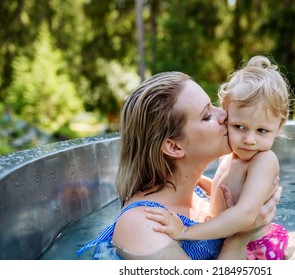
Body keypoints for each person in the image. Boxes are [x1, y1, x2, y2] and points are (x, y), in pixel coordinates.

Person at [76, 71, 282, 260]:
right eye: (207, 115)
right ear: (174, 147)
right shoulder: (145, 225)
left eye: (212, 105)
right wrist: (239, 237)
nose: (224, 115)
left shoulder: (199, 191)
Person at [145, 55, 293, 260]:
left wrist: (185, 233)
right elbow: (220, 187)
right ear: (227, 116)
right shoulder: (232, 157)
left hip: (256, 248)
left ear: (279, 126)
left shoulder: (264, 161)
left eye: (262, 130)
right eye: (239, 127)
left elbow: (246, 214)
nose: (249, 139)